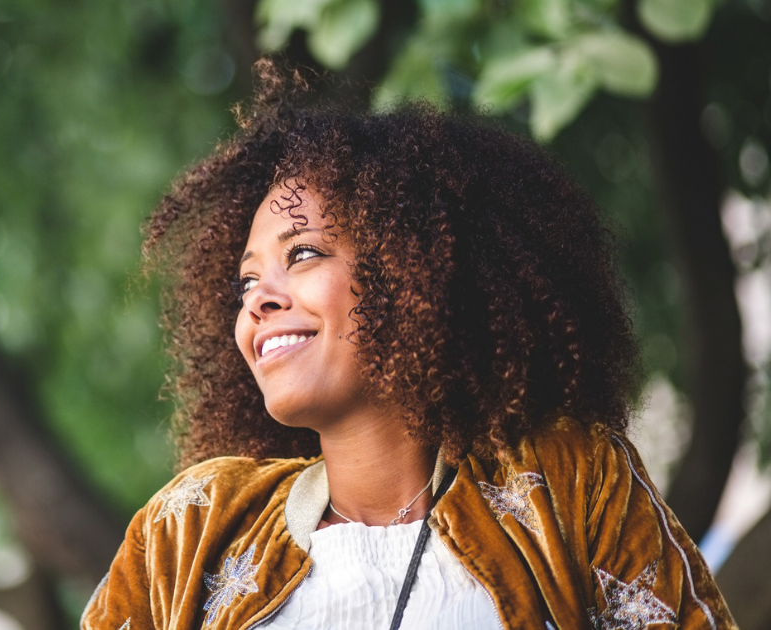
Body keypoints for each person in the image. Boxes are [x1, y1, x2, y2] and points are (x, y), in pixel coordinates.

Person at [80, 61, 736, 630]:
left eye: (303, 254)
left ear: (412, 269)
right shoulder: (192, 528)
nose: (257, 300)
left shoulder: (567, 482)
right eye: (245, 281)